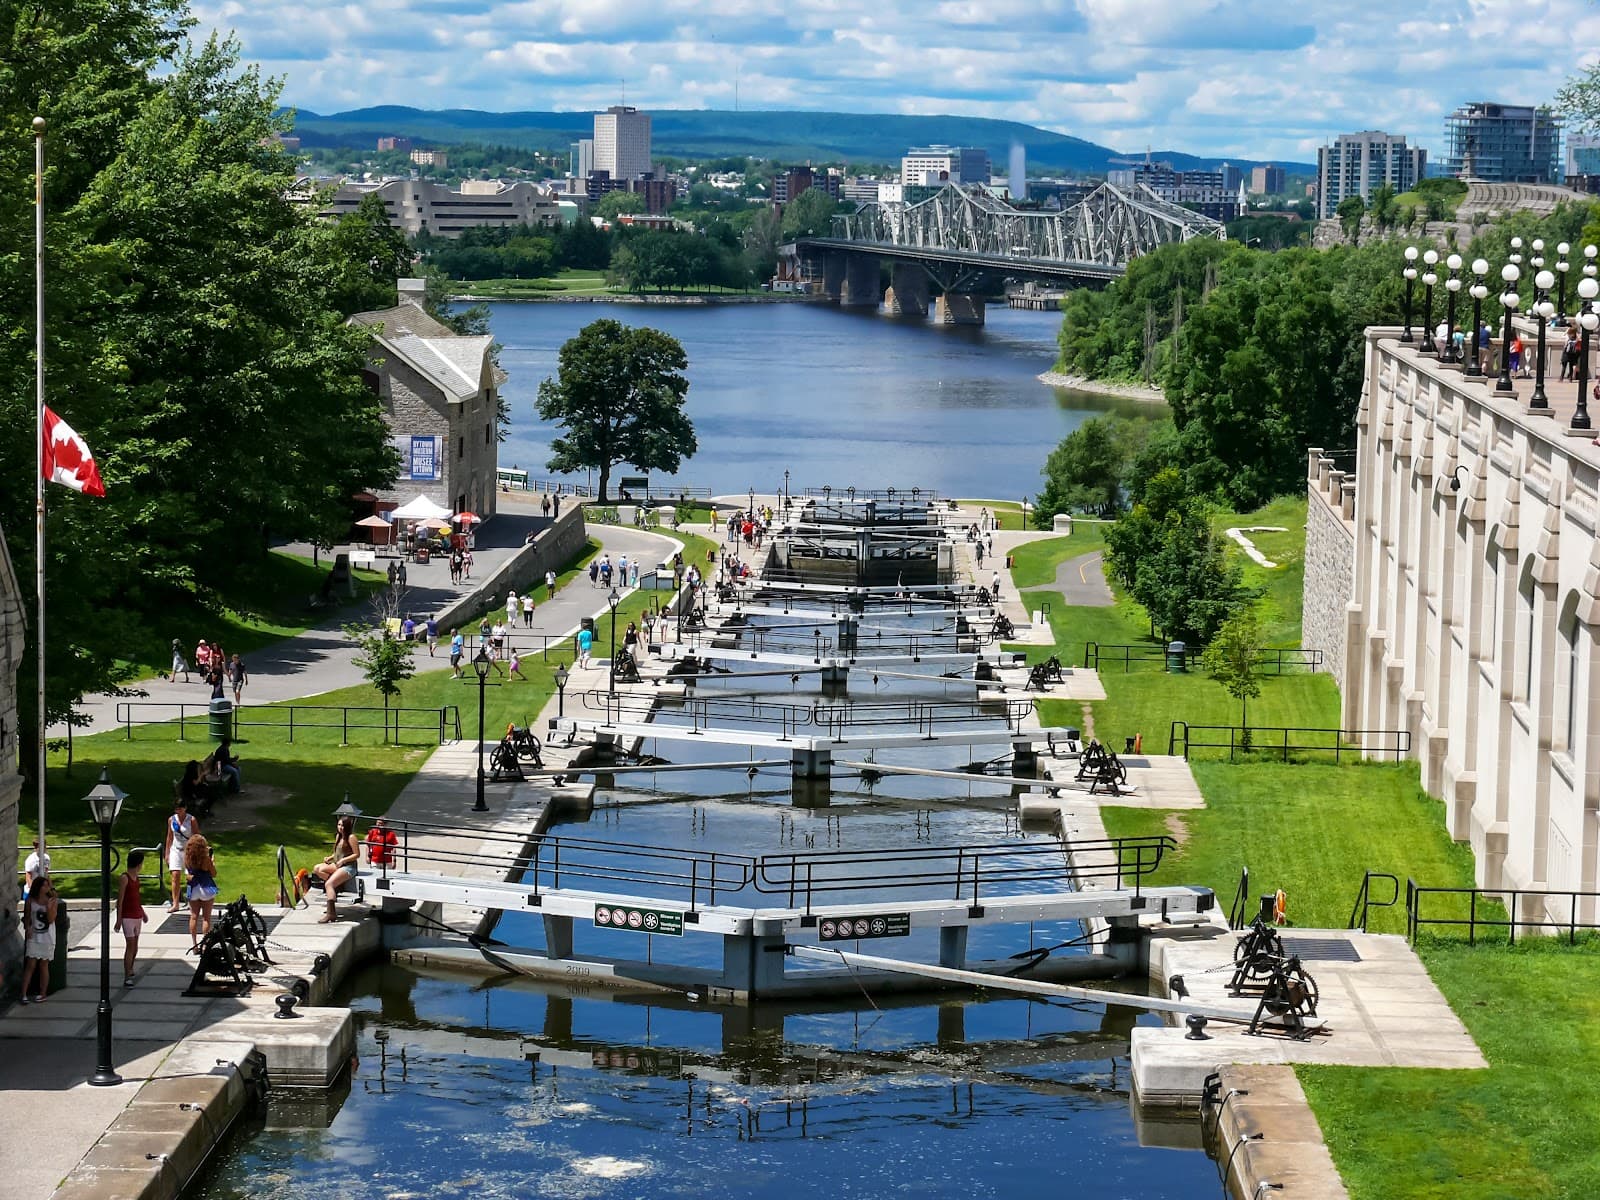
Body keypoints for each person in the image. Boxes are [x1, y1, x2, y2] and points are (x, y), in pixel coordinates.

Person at [312, 815, 361, 923]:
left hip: (349, 867)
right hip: (337, 864)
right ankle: (337, 885)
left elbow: (357, 854)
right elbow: (337, 853)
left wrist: (343, 861)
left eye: (343, 825)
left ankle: (331, 913)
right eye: (339, 825)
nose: (340, 827)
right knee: (317, 869)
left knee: (328, 884)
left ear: (347, 826)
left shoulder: (351, 837)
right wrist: (329, 858)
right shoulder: (338, 836)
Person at [19, 875, 57, 1004]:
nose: (47, 888)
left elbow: (51, 919)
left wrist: (49, 907)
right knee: (30, 964)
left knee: (44, 965)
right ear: (38, 887)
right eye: (44, 885)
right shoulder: (31, 900)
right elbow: (27, 917)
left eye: (48, 885)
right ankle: (23, 993)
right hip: (34, 935)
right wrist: (27, 927)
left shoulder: (51, 900)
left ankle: (43, 993)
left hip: (47, 936)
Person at [120, 849, 149, 986]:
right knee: (130, 945)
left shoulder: (137, 879)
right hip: (127, 917)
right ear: (138, 864)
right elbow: (120, 900)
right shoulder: (124, 878)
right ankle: (127, 975)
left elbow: (137, 898)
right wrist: (119, 919)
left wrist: (143, 913)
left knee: (135, 946)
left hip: (137, 915)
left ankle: (131, 968)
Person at [185, 835, 219, 950]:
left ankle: (194, 945)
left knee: (193, 917)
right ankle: (205, 945)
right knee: (206, 918)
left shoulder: (187, 858)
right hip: (206, 889)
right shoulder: (206, 859)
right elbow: (213, 873)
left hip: (193, 889)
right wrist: (212, 862)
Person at [165, 797, 199, 912]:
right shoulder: (171, 820)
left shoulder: (191, 820)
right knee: (175, 875)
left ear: (185, 808)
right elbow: (169, 837)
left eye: (180, 809)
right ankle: (175, 903)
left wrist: (195, 852)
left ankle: (190, 901)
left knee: (189, 877)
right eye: (176, 809)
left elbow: (196, 837)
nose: (178, 811)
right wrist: (167, 853)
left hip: (188, 851)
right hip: (175, 850)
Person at [23, 838, 50, 905]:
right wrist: (34, 892)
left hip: (42, 891)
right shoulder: (31, 860)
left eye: (44, 846)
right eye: (41, 847)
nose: (43, 849)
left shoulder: (46, 858)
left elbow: (46, 874)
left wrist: (51, 889)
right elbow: (28, 878)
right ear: (36, 848)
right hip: (31, 891)